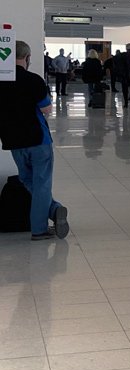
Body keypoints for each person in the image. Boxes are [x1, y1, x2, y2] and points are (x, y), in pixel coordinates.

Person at [0, 41, 69, 240]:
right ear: (28, 58)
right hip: (38, 140)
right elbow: (47, 109)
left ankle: (54, 210)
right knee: (42, 183)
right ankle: (40, 227)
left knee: (27, 180)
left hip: (13, 141)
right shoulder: (33, 80)